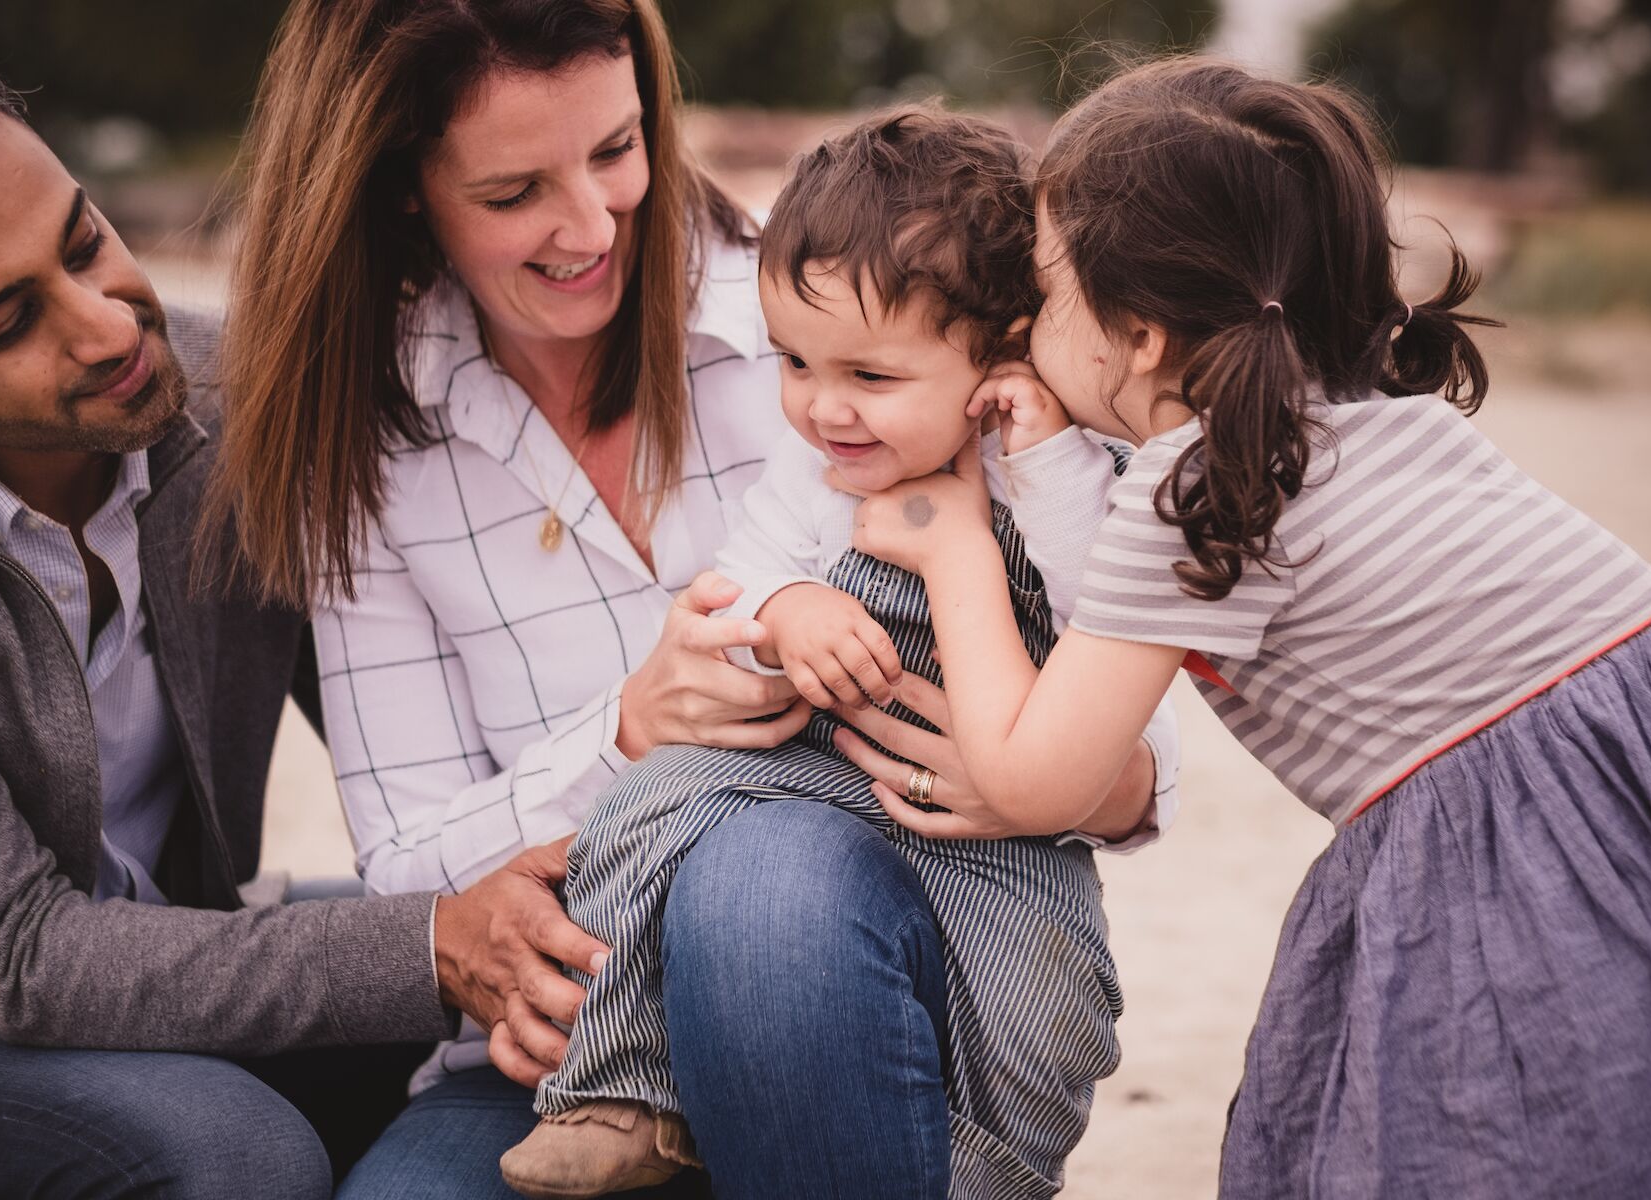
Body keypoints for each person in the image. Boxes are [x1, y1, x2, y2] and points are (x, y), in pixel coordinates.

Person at [212, 3, 1171, 1197]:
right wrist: (626, 734)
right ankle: (630, 1089)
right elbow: (410, 878)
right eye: (514, 193)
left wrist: (1052, 768)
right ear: (401, 186)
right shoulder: (368, 444)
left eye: (618, 151)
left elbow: (1133, 697)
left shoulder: (856, 290)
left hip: (840, 997)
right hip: (555, 1045)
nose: (589, 223)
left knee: (767, 882)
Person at [848, 57, 1651, 1198]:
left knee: (1506, 1133)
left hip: (1512, 830)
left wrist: (954, 551)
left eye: (1047, 286)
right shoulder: (1353, 425)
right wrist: (1048, 460)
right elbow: (1140, 605)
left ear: (1139, 336)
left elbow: (1039, 777)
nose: (1029, 318)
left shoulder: (1192, 484)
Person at [502, 107, 1180, 1200]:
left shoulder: (1062, 474)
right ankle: (626, 1086)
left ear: (1001, 351)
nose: (821, 408)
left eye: (870, 376)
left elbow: (1117, 650)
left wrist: (1047, 463)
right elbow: (741, 580)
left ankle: (984, 1173)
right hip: (809, 777)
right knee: (646, 801)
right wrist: (792, 609)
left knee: (1035, 1001)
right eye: (795, 362)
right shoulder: (818, 466)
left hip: (996, 835)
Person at [0, 59, 612, 1200]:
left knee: (550, 977)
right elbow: (16, 954)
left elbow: (405, 727)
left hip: (173, 940)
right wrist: (428, 947)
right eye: (8, 321)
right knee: (235, 1156)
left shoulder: (235, 403)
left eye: (84, 243)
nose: (109, 322)